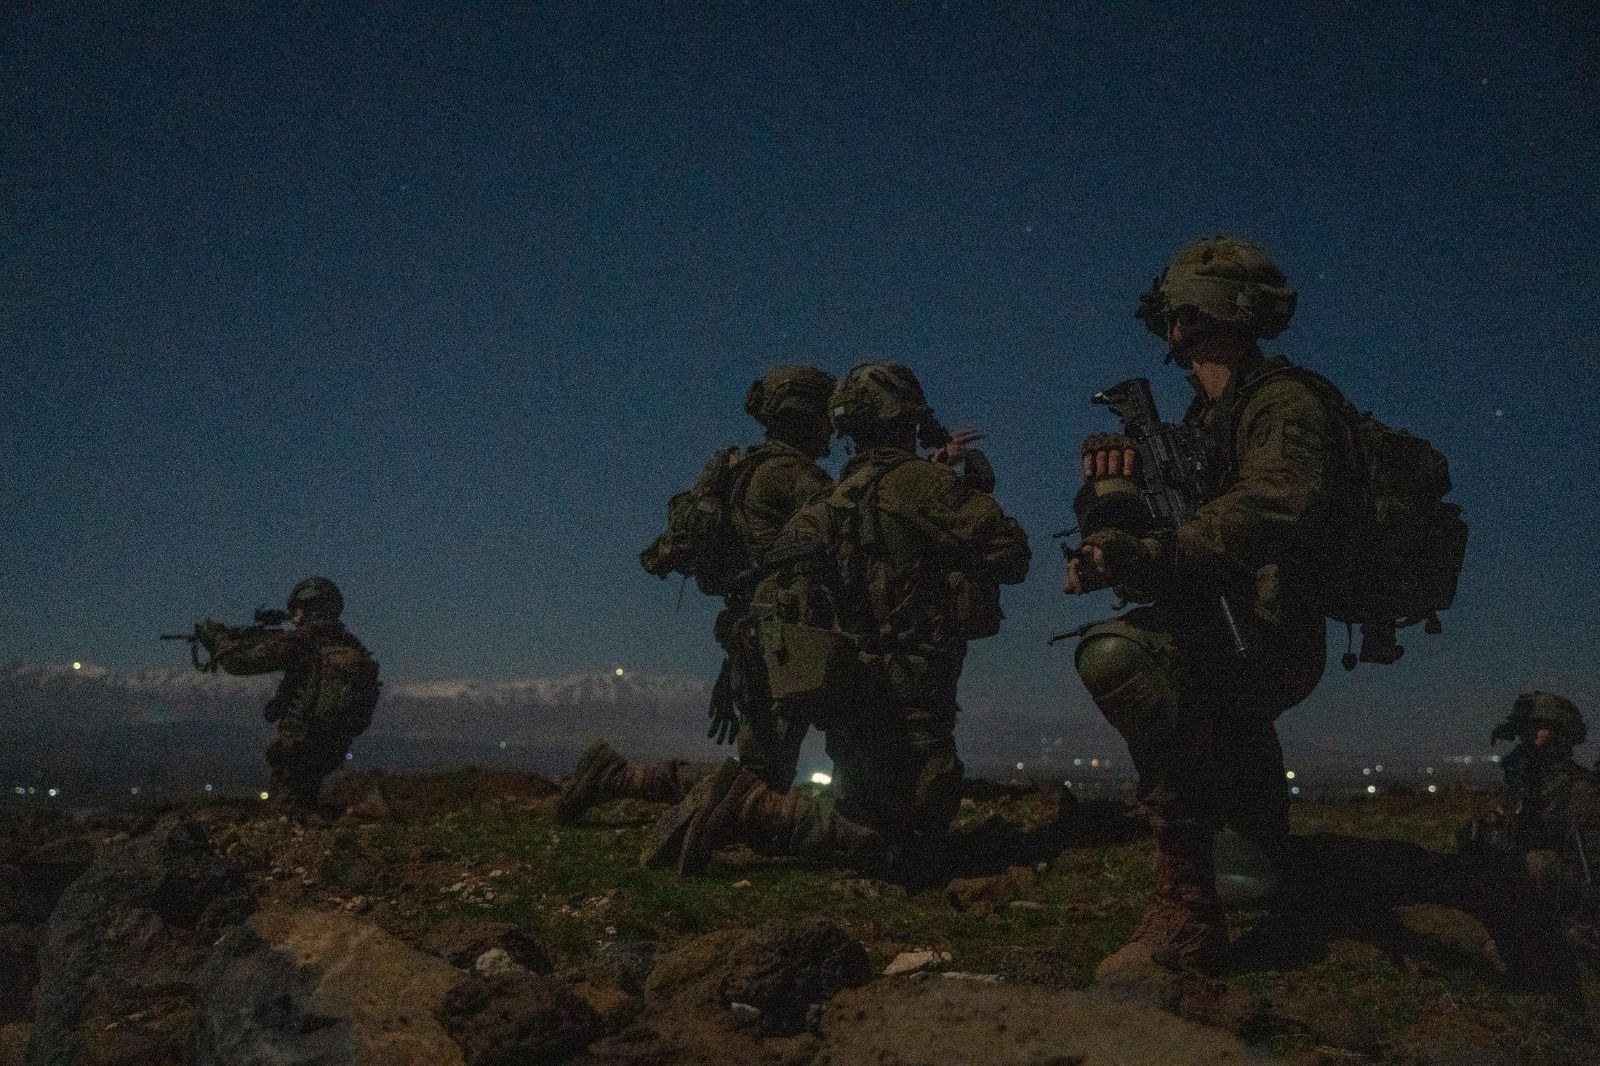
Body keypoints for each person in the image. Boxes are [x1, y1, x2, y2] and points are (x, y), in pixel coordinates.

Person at [1063, 236, 1350, 981]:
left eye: (1176, 309)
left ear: (1193, 315)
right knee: (1210, 712)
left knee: (1118, 656)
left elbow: (1275, 505)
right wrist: (1111, 505)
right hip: (1226, 623)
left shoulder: (1282, 402)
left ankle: (1187, 911)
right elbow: (1168, 540)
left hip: (1269, 632)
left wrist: (1155, 551)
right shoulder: (1201, 421)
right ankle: (1248, 862)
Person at [643, 361, 1030, 877]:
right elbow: (1011, 553)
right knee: (911, 840)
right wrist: (963, 491)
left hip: (848, 690)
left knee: (868, 807)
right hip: (911, 692)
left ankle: (747, 804)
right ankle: (754, 809)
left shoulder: (828, 501)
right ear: (905, 417)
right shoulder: (911, 486)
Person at [555, 365, 836, 824]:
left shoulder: (747, 471)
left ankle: (618, 778)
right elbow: (856, 524)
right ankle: (618, 779)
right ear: (804, 416)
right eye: (826, 417)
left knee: (759, 777)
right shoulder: (792, 477)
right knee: (759, 784)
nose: (833, 430)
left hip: (754, 637)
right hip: (785, 643)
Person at [196, 576, 380, 814]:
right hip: (334, 751)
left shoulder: (303, 642)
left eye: (296, 610)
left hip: (298, 752)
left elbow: (239, 662)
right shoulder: (352, 646)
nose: (293, 617)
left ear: (309, 608)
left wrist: (216, 639)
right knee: (312, 808)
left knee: (285, 816)